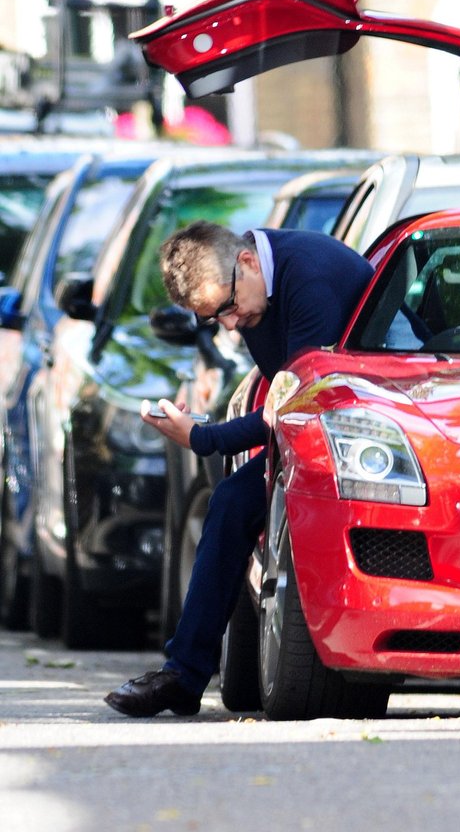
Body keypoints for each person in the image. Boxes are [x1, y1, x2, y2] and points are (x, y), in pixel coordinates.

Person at [104, 220, 374, 717]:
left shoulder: (307, 278)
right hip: (322, 433)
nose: (229, 324)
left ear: (247, 262)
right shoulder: (254, 290)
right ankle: (183, 675)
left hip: (372, 442)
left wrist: (203, 438)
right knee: (230, 501)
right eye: (214, 318)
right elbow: (286, 403)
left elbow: (297, 405)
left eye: (226, 308)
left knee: (237, 497)